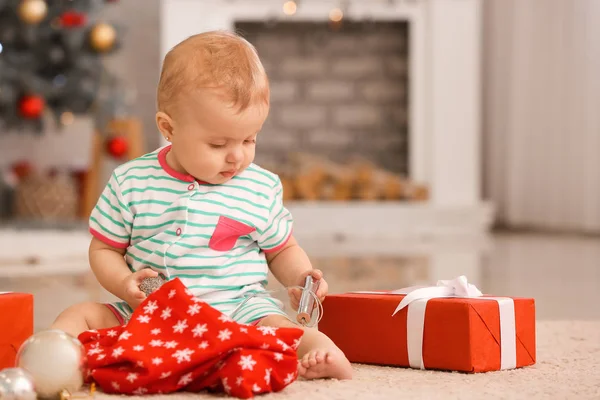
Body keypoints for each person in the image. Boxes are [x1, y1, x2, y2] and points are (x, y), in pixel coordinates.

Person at [51, 30, 352, 381]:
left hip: (237, 311)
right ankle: (54, 357)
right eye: (217, 144)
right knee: (82, 314)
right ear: (169, 128)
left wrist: (301, 277)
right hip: (152, 310)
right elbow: (104, 248)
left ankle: (322, 353)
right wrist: (124, 283)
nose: (237, 156)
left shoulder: (259, 186)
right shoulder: (131, 182)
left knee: (277, 325)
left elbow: (282, 248)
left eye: (249, 139)